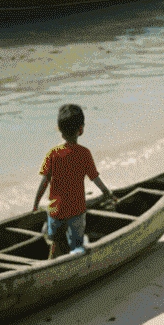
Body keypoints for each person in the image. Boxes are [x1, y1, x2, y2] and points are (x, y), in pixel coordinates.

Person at [32, 103, 116, 259]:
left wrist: (36, 203)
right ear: (81, 130)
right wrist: (106, 192)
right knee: (77, 245)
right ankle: (75, 258)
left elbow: (44, 182)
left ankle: (53, 260)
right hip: (76, 211)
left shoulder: (53, 154)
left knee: (55, 242)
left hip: (55, 211)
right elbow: (94, 178)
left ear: (59, 130)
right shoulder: (84, 154)